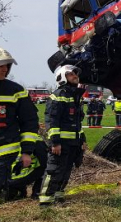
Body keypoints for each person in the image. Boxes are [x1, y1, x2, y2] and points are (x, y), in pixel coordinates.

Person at [0, 46, 39, 221]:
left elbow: (30, 122)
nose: (5, 69)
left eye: (7, 66)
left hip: (3, 152)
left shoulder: (15, 91)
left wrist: (26, 151)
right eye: (0, 65)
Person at [39, 65, 87, 207]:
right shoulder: (58, 95)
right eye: (71, 74)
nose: (75, 76)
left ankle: (58, 195)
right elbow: (52, 120)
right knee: (54, 170)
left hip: (73, 143)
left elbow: (77, 123)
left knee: (66, 170)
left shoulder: (76, 97)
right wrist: (55, 143)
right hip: (61, 143)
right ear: (62, 77)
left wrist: (82, 140)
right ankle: (46, 201)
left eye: (75, 74)